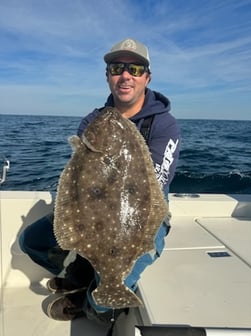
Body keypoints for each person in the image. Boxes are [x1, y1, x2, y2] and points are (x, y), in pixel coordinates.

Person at [19, 38, 180, 324]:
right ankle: (80, 272)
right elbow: (76, 178)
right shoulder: (93, 120)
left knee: (104, 304)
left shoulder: (163, 124)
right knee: (30, 241)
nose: (126, 75)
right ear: (108, 76)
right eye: (117, 68)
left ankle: (87, 299)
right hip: (93, 209)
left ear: (147, 77)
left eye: (135, 68)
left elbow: (155, 183)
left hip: (140, 216)